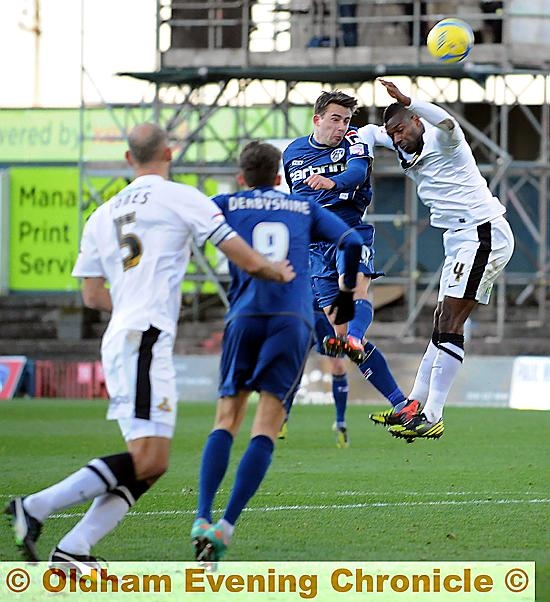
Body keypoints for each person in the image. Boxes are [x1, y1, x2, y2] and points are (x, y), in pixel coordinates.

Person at [4, 124, 296, 565]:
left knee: (153, 462)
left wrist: (130, 303)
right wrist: (273, 271)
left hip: (123, 334)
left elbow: (90, 295)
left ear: (128, 158)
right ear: (169, 152)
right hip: (145, 336)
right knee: (148, 457)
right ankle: (35, 507)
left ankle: (75, 548)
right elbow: (236, 249)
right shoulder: (178, 196)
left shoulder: (101, 214)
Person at [191, 140, 363, 562]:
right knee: (265, 427)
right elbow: (352, 241)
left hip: (244, 318)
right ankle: (226, 528)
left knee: (226, 419)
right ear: (280, 177)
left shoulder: (226, 203)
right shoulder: (302, 209)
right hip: (292, 321)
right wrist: (344, 296)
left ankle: (201, 516)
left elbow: (189, 223)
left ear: (241, 177)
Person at [359, 80, 515, 440]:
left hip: (483, 232)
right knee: (439, 320)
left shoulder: (444, 140)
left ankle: (433, 414)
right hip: (457, 239)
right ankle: (414, 405)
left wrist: (410, 100)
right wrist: (336, 136)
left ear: (415, 120)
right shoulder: (399, 143)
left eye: (400, 129)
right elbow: (368, 132)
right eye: (392, 134)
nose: (397, 138)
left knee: (450, 320)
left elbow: (447, 122)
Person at [282, 90, 418, 446]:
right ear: (317, 119)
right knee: (341, 342)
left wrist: (333, 182)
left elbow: (357, 173)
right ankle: (401, 403)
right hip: (313, 247)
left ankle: (356, 339)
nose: (343, 126)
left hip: (348, 231)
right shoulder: (293, 153)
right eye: (336, 119)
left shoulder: (356, 143)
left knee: (355, 287)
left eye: (346, 120)